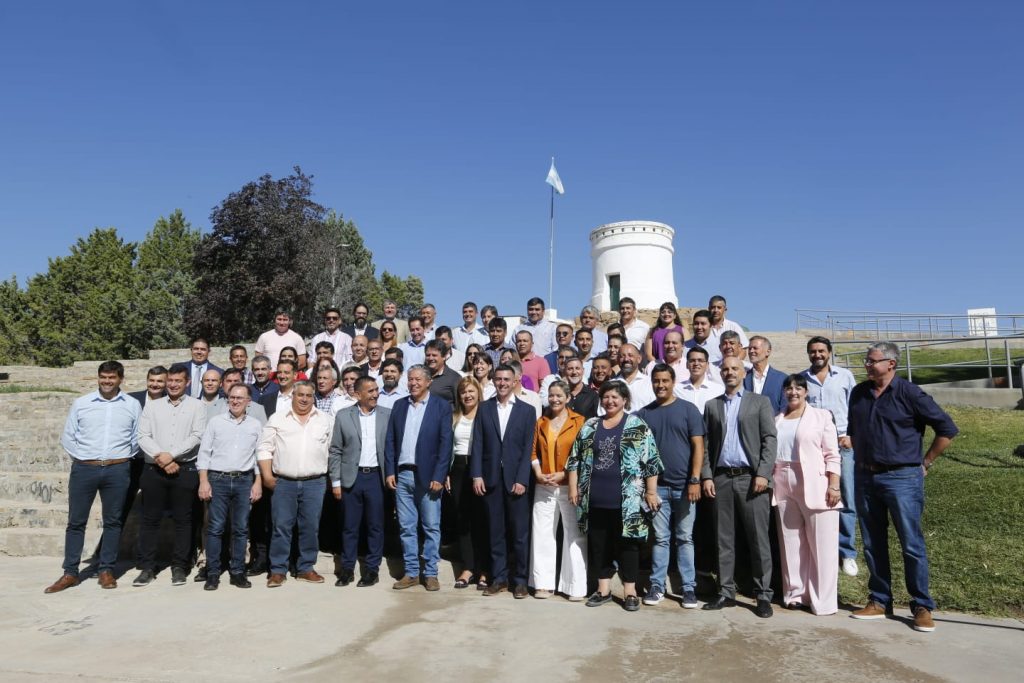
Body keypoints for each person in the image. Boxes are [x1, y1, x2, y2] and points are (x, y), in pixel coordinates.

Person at [848, 342, 958, 632]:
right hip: (865, 477)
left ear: (891, 364)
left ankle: (921, 605)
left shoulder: (910, 394)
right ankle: (879, 600)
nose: (867, 365)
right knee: (872, 542)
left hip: (903, 478)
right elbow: (853, 431)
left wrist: (927, 462)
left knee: (911, 543)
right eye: (866, 361)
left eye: (872, 361)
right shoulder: (859, 393)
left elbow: (947, 428)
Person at [45, 361, 142, 594]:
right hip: (84, 469)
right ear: (98, 378)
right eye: (103, 377)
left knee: (113, 521)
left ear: (121, 379)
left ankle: (106, 569)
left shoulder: (131, 404)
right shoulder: (82, 403)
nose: (107, 381)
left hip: (117, 469)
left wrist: (121, 459)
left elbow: (137, 437)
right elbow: (69, 436)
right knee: (76, 522)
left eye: (111, 378)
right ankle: (70, 572)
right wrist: (84, 458)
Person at [566, 381, 662, 612]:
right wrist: (573, 488)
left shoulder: (637, 425)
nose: (610, 401)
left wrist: (651, 491)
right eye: (606, 397)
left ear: (625, 401)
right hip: (595, 499)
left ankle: (630, 592)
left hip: (628, 502)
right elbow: (574, 459)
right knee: (599, 545)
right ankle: (603, 590)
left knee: (628, 546)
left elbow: (651, 461)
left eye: (615, 397)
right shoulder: (590, 425)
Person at [700, 357, 777, 618]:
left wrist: (763, 473)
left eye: (734, 368)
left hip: (751, 479)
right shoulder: (712, 406)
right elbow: (708, 446)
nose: (729, 372)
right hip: (721, 479)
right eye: (725, 369)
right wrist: (707, 476)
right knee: (724, 539)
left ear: (743, 372)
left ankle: (763, 595)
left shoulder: (760, 402)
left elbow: (769, 440)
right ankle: (726, 591)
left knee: (758, 539)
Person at [636, 364, 705, 609]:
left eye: (665, 380)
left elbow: (698, 446)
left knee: (685, 538)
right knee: (661, 539)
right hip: (658, 489)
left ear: (673, 381)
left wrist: (695, 480)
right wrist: (648, 489)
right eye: (657, 381)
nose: (661, 385)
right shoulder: (644, 414)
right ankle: (657, 586)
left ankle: (688, 589)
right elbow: (642, 454)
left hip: (686, 487)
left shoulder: (688, 409)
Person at [772, 374, 842, 615]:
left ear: (806, 391)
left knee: (822, 545)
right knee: (790, 541)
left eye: (798, 388)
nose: (793, 392)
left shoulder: (821, 417)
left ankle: (823, 600)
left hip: (814, 481)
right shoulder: (777, 419)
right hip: (782, 479)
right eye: (789, 388)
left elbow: (833, 454)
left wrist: (834, 484)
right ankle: (795, 593)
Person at [134, 363, 208, 587]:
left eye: (178, 381)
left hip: (184, 470)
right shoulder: (152, 407)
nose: (173, 384)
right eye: (170, 381)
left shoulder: (198, 406)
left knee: (183, 521)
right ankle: (147, 566)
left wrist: (172, 455)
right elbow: (142, 436)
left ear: (187, 383)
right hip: (154, 470)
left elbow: (197, 435)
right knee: (150, 520)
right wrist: (161, 457)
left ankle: (180, 566)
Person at [470, 365, 537, 598]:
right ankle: (498, 578)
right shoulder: (484, 408)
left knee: (519, 533)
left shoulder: (527, 411)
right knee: (495, 531)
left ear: (515, 380)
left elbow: (528, 447)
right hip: (490, 479)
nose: (502, 383)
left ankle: (519, 580)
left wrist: (522, 479)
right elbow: (477, 442)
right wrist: (476, 474)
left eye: (506, 379)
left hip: (516, 480)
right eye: (498, 379)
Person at [257, 381, 333, 587]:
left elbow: (332, 451)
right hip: (284, 482)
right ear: (293, 395)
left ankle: (306, 568)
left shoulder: (325, 420)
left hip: (314, 482)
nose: (304, 399)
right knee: (281, 526)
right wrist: (267, 476)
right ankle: (278, 570)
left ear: (313, 397)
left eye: (309, 395)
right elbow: (264, 448)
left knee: (310, 527)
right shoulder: (278, 418)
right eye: (300, 394)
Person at [384, 365, 454, 591]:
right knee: (406, 527)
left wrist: (439, 475)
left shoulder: (441, 406)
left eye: (417, 380)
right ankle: (412, 572)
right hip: (403, 474)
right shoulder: (399, 405)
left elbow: (446, 445)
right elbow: (391, 441)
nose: (413, 383)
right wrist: (390, 471)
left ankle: (431, 573)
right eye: (410, 379)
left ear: (428, 382)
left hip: (429, 476)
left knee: (432, 526)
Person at [196, 383, 263, 590]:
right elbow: (204, 453)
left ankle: (237, 572)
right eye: (232, 397)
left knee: (241, 529)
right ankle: (213, 572)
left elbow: (259, 456)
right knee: (215, 528)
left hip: (244, 481)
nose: (235, 401)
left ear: (248, 402)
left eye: (239, 398)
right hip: (218, 479)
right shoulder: (215, 423)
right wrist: (203, 481)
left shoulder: (255, 425)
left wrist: (258, 482)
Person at [803, 336, 860, 577]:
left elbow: (857, 408)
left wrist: (853, 436)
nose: (817, 355)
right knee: (817, 496)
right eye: (813, 351)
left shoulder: (844, 376)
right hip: (815, 446)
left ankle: (847, 552)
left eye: (821, 351)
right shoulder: (802, 380)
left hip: (841, 443)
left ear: (829, 353)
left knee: (846, 496)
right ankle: (820, 547)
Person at [330, 376, 390, 588]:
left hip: (376, 477)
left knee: (375, 526)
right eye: (370, 391)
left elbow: (392, 450)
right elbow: (336, 449)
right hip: (351, 479)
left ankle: (372, 570)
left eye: (376, 390)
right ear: (357, 394)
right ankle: (347, 570)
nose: (375, 394)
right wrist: (336, 482)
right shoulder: (343, 416)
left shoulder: (387, 415)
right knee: (349, 527)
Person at [530, 380, 587, 601]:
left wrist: (564, 474)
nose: (554, 399)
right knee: (543, 534)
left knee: (574, 535)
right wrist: (537, 472)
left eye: (559, 396)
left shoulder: (579, 422)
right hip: (543, 486)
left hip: (569, 486)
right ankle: (543, 584)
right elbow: (533, 452)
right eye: (551, 396)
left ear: (568, 398)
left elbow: (583, 455)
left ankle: (575, 586)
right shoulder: (541, 422)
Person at [446, 376, 489, 589]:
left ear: (478, 393)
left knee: (481, 521)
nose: (467, 395)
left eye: (471, 391)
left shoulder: (485, 414)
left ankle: (484, 569)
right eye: (463, 392)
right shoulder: (455, 416)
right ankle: (468, 567)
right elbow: (447, 446)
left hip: (479, 469)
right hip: (458, 470)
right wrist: (446, 472)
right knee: (463, 521)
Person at [744, 335, 786, 413]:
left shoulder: (782, 379)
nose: (751, 351)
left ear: (768, 352)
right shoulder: (743, 378)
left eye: (755, 348)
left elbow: (785, 407)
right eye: (749, 349)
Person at [676, 347, 723, 415]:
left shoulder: (718, 390)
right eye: (692, 360)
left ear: (707, 365)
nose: (696, 363)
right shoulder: (677, 389)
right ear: (687, 364)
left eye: (700, 360)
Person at [616, 343, 654, 413]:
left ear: (639, 359)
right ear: (618, 360)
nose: (626, 359)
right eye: (622, 356)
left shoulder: (650, 383)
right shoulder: (611, 385)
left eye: (630, 355)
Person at [424, 339, 461, 408]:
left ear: (444, 356)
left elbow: (459, 405)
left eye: (434, 355)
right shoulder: (421, 375)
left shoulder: (454, 378)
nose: (430, 358)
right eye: (428, 355)